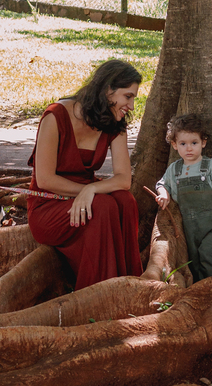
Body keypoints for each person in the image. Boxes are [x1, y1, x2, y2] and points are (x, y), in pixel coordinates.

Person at [27, 59, 144, 290]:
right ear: (108, 90)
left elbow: (124, 180)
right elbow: (45, 180)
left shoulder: (116, 122)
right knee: (104, 206)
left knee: (125, 201)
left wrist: (90, 189)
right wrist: (87, 192)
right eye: (127, 96)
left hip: (89, 196)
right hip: (48, 204)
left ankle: (130, 285)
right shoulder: (56, 116)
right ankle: (97, 293)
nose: (131, 106)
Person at [154, 114, 212, 281]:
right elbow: (162, 184)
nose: (189, 148)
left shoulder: (210, 165)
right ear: (174, 145)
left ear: (203, 143)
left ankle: (211, 284)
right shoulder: (174, 169)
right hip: (188, 226)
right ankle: (196, 286)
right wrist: (164, 194)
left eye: (194, 143)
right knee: (192, 258)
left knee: (209, 254)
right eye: (183, 144)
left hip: (211, 222)